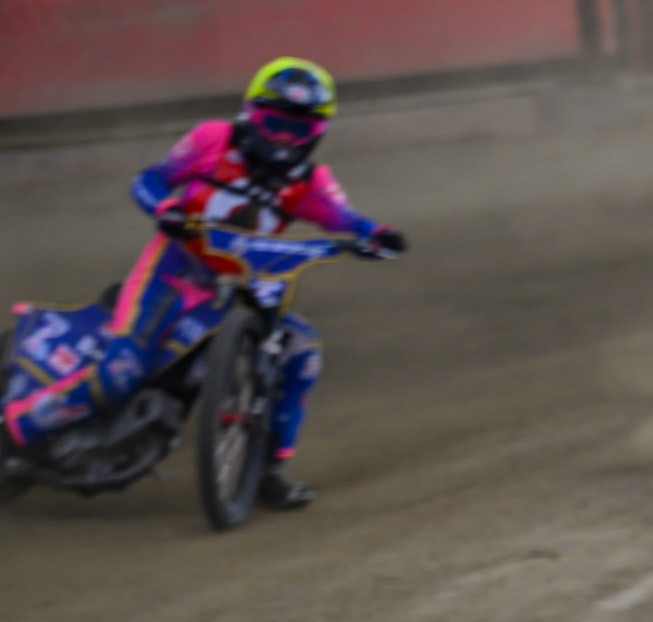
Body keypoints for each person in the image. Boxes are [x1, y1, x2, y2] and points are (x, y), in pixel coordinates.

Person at [2, 58, 405, 509]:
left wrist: (377, 235)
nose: (281, 140)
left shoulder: (312, 184)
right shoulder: (212, 139)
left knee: (301, 351)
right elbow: (150, 179)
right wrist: (165, 209)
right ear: (251, 114)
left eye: (297, 130)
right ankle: (13, 430)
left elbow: (347, 220)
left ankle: (270, 470)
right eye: (274, 124)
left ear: (317, 134)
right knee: (121, 373)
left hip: (242, 287)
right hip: (172, 272)